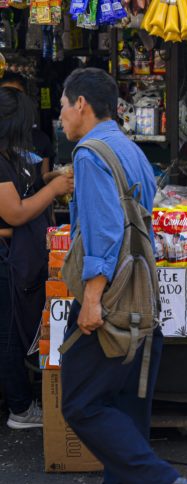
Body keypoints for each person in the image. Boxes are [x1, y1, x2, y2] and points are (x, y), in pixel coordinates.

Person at [57, 68, 187, 484]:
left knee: (79, 401)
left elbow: (105, 230)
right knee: (129, 399)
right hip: (142, 290)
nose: (60, 116)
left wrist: (92, 297)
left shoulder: (90, 153)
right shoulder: (131, 149)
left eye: (62, 106)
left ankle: (158, 482)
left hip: (111, 294)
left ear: (81, 105)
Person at [0, 86, 72, 429]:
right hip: (6, 259)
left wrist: (49, 178)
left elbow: (27, 186)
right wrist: (53, 190)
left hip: (16, 253)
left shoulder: (11, 155)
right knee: (10, 332)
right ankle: (20, 408)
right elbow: (14, 212)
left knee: (15, 327)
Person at [0, 71, 56, 180]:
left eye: (17, 96)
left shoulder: (41, 139)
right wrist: (52, 189)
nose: (12, 103)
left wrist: (56, 179)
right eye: (6, 96)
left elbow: (44, 176)